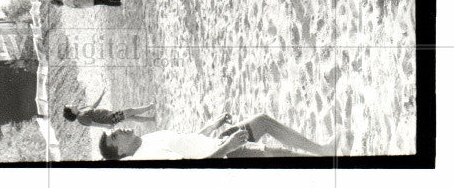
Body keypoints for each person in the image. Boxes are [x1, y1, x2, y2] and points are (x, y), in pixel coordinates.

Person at [98, 112, 336, 160]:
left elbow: (190, 140)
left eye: (116, 130)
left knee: (262, 121)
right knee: (276, 154)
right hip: (224, 156)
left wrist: (211, 125)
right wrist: (229, 146)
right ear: (120, 152)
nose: (120, 129)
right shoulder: (148, 156)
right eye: (115, 137)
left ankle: (323, 151)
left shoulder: (147, 139)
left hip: (219, 142)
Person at [64, 93, 155, 128]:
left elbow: (93, 106)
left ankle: (152, 119)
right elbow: (93, 124)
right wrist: (106, 126)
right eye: (70, 106)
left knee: (132, 117)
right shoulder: (81, 118)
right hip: (110, 118)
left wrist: (101, 95)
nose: (72, 104)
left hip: (110, 115)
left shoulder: (81, 110)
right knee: (130, 111)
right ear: (71, 111)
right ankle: (150, 107)